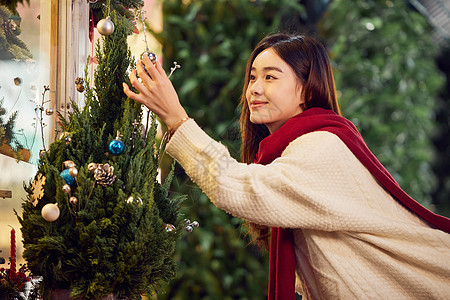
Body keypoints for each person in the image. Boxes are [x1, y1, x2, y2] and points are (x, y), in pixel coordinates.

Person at [123, 33, 450, 299]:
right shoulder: (308, 143)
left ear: (307, 90)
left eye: (270, 77)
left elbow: (238, 187)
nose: (255, 89)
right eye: (252, 77)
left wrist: (177, 119)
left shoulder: (320, 148)